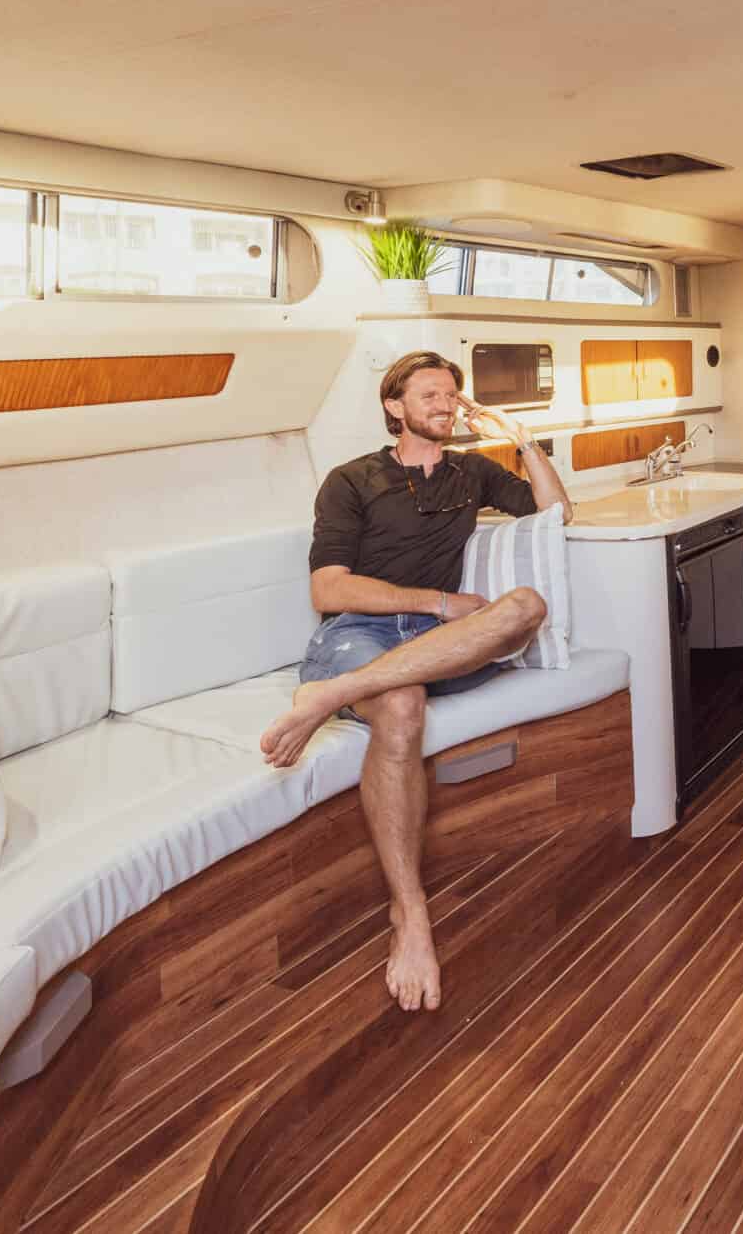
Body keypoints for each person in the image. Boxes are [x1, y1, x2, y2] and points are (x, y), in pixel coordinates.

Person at [258, 351, 569, 1012]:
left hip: (434, 646)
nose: (446, 403)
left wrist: (520, 436)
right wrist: (435, 601)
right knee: (400, 703)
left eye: (452, 395)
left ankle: (332, 697)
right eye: (430, 393)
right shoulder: (352, 479)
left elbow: (556, 512)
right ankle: (412, 916)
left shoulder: (472, 473)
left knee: (523, 608)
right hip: (360, 636)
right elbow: (328, 585)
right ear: (394, 406)